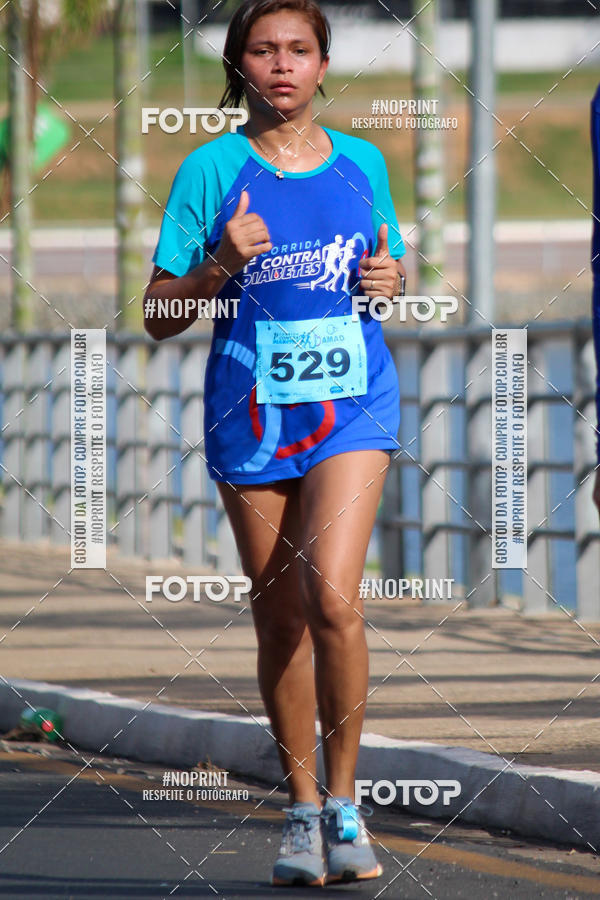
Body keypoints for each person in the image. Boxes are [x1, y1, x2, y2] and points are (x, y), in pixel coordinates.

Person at [144, 0, 407, 886]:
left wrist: (389, 279)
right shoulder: (210, 169)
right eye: (264, 50)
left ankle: (345, 805)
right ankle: (299, 814)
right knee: (281, 616)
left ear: (325, 64)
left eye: (300, 49)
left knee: (333, 597)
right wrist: (218, 261)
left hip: (353, 408)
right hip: (251, 416)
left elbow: (385, 272)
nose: (283, 65)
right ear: (240, 66)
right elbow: (157, 315)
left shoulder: (365, 161)